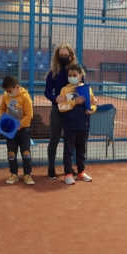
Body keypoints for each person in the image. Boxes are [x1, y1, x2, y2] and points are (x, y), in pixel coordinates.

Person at [44, 43, 86, 180]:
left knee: (71, 140)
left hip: (72, 111)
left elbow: (83, 89)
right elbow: (47, 92)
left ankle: (68, 167)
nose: (63, 57)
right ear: (57, 56)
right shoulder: (53, 73)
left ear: (71, 56)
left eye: (65, 55)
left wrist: (88, 107)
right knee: (54, 139)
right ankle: (51, 168)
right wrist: (55, 98)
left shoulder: (78, 72)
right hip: (58, 110)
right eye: (61, 55)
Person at [57, 64, 97, 185]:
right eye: (70, 75)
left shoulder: (87, 89)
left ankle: (81, 171)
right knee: (68, 150)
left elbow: (93, 103)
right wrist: (75, 102)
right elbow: (61, 107)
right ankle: (68, 174)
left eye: (74, 75)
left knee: (81, 149)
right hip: (69, 125)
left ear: (80, 76)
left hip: (83, 124)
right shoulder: (64, 90)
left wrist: (91, 110)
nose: (72, 77)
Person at [0, 76, 35, 186]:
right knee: (11, 152)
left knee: (25, 152)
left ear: (17, 87)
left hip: (24, 129)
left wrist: (19, 125)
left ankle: (27, 174)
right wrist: (1, 119)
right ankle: (13, 174)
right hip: (10, 128)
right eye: (6, 91)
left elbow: (29, 115)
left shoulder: (25, 97)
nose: (8, 93)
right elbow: (2, 108)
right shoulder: (5, 95)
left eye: (10, 91)